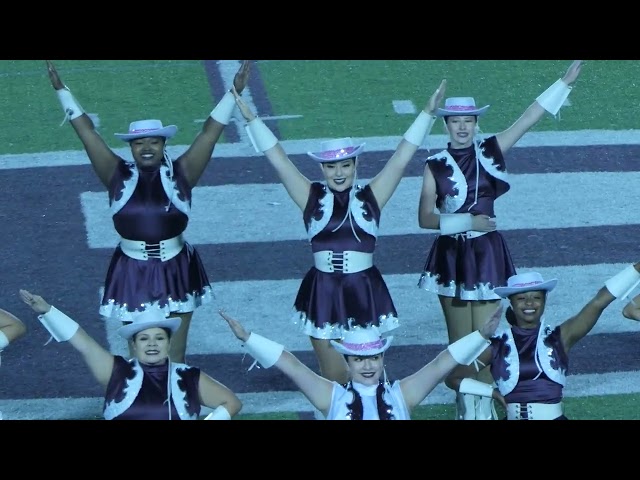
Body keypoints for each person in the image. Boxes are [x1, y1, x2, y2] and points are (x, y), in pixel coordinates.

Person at [229, 80, 447, 384]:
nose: (339, 172)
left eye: (345, 165)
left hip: (363, 291)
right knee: (333, 380)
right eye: (331, 167)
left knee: (368, 378)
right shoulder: (310, 196)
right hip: (323, 292)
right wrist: (252, 119)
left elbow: (401, 158)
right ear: (322, 169)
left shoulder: (372, 196)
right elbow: (279, 159)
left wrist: (426, 113)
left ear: (356, 164)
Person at [44, 60, 251, 364]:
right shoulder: (115, 174)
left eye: (153, 141)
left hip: (178, 266)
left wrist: (234, 91)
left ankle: (177, 404)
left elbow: (209, 133)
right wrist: (62, 91)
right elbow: (87, 133)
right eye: (138, 143)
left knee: (176, 352)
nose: (146, 148)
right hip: (132, 268)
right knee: (139, 350)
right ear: (131, 147)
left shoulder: (183, 172)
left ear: (164, 143)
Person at [416, 60, 584, 419]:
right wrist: (468, 220)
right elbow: (425, 218)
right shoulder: (434, 163)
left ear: (476, 123)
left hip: (488, 255)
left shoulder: (490, 151)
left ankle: (489, 408)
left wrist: (563, 83)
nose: (462, 128)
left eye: (468, 121)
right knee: (460, 344)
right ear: (446, 124)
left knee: (489, 337)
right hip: (452, 257)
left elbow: (527, 119)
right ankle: (468, 410)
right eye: (455, 121)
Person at [220, 305, 500, 420]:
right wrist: (249, 338)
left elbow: (441, 365)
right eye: (359, 359)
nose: (367, 366)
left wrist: (482, 336)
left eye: (374, 358)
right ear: (347, 363)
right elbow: (292, 366)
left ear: (382, 359)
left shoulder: (401, 395)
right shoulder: (332, 397)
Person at [444, 262, 640, 420]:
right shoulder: (497, 344)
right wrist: (492, 393)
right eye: (521, 298)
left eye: (536, 297)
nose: (529, 303)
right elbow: (453, 378)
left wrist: (637, 268)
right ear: (511, 303)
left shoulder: (561, 337)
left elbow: (599, 301)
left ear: (545, 301)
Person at [19, 288, 242, 420]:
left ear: (168, 343)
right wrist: (48, 311)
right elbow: (83, 343)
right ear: (133, 344)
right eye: (144, 338)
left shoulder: (189, 376)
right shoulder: (117, 371)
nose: (152, 344)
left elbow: (231, 403)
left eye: (159, 338)